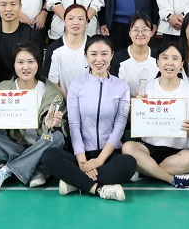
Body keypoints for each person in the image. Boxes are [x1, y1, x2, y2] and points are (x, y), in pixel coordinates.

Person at [40, 36, 136, 202]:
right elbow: (74, 125)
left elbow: (120, 126)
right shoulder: (77, 85)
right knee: (49, 156)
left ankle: (75, 181)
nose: (99, 59)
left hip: (108, 154)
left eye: (104, 54)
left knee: (129, 163)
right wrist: (82, 161)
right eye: (93, 54)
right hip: (81, 153)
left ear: (112, 55)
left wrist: (99, 160)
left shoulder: (122, 86)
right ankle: (97, 188)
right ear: (86, 56)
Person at [0, 42, 67, 192]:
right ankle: (35, 168)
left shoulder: (51, 92)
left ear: (38, 64)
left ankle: (7, 170)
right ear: (14, 65)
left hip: (41, 143)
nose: (25, 67)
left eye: (30, 62)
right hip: (13, 145)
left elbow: (62, 128)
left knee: (57, 137)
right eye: (20, 62)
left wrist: (51, 124)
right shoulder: (1, 90)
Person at [122, 42, 189, 189]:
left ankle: (145, 171)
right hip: (149, 149)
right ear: (157, 62)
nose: (169, 63)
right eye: (165, 58)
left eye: (175, 58)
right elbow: (136, 126)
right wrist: (138, 108)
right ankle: (171, 179)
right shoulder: (146, 89)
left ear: (182, 63)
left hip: (179, 151)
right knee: (128, 147)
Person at [44, 4, 89, 96]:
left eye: (80, 19)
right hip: (62, 100)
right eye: (71, 18)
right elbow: (51, 83)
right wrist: (69, 101)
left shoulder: (94, 46)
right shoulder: (54, 48)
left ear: (86, 22)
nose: (75, 22)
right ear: (64, 21)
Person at [109, 13, 159, 96]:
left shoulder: (158, 57)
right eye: (136, 30)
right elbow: (114, 88)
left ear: (151, 33)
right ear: (129, 33)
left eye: (145, 30)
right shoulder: (119, 58)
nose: (140, 34)